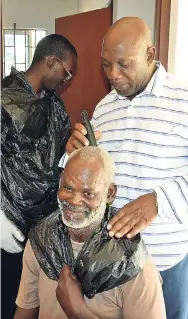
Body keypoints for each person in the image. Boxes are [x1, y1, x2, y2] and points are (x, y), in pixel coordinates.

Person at [65, 17, 188, 319]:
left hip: (164, 263)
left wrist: (158, 202)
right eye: (106, 64)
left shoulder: (183, 101)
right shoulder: (105, 107)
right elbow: (92, 174)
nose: (113, 74)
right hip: (111, 265)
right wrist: (73, 154)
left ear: (150, 54)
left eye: (123, 64)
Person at [14, 146, 166, 319]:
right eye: (68, 188)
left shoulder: (131, 265)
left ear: (110, 193)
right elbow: (24, 312)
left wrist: (78, 312)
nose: (74, 201)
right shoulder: (40, 242)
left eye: (88, 193)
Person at [1, 34, 78, 319]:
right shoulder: (4, 98)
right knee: (9, 296)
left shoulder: (54, 107)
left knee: (36, 299)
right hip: (9, 225)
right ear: (51, 61)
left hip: (44, 225)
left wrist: (73, 149)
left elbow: (58, 161)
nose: (67, 80)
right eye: (67, 72)